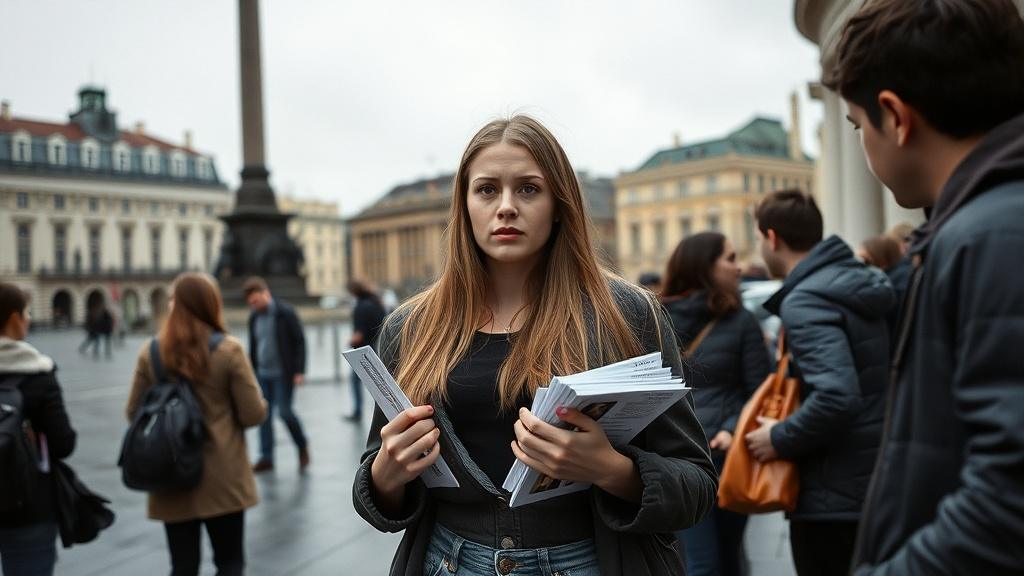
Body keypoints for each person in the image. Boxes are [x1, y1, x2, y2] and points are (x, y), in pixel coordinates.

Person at [352, 115, 717, 576]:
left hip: (590, 561)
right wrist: (386, 474)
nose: (506, 207)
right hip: (447, 562)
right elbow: (375, 487)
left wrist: (612, 469)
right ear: (463, 207)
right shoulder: (409, 328)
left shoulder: (628, 314)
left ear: (559, 204)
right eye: (487, 190)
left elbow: (698, 485)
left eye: (528, 189)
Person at [825, 0, 1024, 573]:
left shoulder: (991, 236)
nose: (863, 145)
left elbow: (1008, 501)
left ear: (894, 115)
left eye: (859, 127)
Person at [745, 190, 894, 576]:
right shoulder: (857, 280)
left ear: (772, 237)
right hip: (875, 477)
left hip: (834, 492)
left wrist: (777, 437)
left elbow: (837, 397)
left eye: (759, 237)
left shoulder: (806, 300)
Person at [126, 273, 267, 576]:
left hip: (170, 473)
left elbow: (133, 412)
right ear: (212, 304)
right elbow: (253, 414)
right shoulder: (228, 350)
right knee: (229, 563)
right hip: (223, 477)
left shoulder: (151, 353)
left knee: (182, 566)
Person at [660, 232, 770, 576]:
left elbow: (760, 390)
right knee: (703, 562)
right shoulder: (653, 318)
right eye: (730, 259)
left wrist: (732, 428)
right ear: (705, 266)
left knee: (728, 556)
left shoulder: (740, 321)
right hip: (677, 459)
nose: (738, 268)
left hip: (728, 456)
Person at [0, 283, 77, 576]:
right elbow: (64, 444)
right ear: (14, 318)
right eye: (27, 311)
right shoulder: (38, 374)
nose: (29, 318)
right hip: (28, 501)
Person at [243, 277, 310, 473]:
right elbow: (254, 345)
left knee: (285, 413)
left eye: (256, 301)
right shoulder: (254, 317)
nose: (254, 305)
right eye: (251, 303)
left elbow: (299, 342)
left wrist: (299, 371)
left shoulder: (285, 313)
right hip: (263, 373)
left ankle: (302, 445)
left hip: (283, 374)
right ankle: (266, 457)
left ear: (266, 294)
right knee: (263, 415)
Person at [344, 278, 387, 422]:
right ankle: (385, 412)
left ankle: (357, 411)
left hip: (362, 351)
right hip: (378, 348)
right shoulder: (377, 303)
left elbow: (359, 333)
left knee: (357, 382)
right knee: (379, 384)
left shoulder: (361, 307)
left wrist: (350, 341)